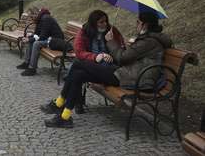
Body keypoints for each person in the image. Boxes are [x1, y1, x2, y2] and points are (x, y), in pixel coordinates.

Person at [40, 11, 172, 128]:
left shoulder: (148, 42)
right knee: (78, 74)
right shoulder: (148, 39)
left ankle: (59, 104)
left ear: (145, 25)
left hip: (131, 78)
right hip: (125, 73)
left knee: (78, 64)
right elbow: (127, 55)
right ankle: (65, 116)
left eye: (138, 22)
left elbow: (122, 58)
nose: (136, 24)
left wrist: (110, 41)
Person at [16, 8, 72, 76]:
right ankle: (26, 63)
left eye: (31, 16)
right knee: (31, 41)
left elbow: (43, 36)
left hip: (55, 41)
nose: (30, 19)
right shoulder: (40, 18)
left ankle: (32, 69)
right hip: (48, 39)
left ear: (35, 14)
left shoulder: (46, 19)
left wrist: (30, 39)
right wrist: (28, 38)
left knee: (36, 44)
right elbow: (37, 33)